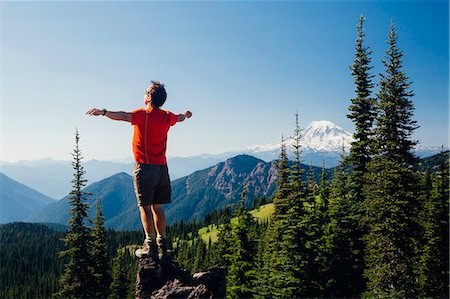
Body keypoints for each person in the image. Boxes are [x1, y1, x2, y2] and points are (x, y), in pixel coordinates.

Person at [86, 81, 192, 259]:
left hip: (144, 168)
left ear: (149, 97)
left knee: (145, 208)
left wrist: (103, 112)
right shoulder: (167, 116)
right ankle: (162, 244)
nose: (144, 94)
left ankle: (149, 245)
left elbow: (123, 116)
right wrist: (186, 114)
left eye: (146, 92)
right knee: (158, 208)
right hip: (162, 169)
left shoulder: (144, 115)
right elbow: (180, 117)